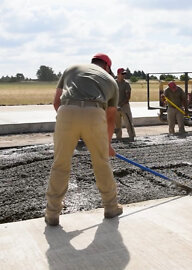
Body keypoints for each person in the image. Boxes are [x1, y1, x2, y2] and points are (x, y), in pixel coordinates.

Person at [45, 53, 122, 226]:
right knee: (101, 162)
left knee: (60, 163)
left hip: (67, 110)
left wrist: (72, 123)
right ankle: (110, 207)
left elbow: (57, 102)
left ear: (93, 63)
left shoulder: (72, 69)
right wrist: (107, 145)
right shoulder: (111, 81)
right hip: (95, 114)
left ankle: (52, 212)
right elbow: (110, 118)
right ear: (108, 67)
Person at [115, 68, 136, 141]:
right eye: (122, 74)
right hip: (115, 107)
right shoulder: (113, 83)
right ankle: (118, 138)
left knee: (128, 123)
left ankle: (132, 137)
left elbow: (128, 97)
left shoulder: (126, 84)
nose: (124, 75)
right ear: (118, 74)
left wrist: (120, 104)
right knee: (117, 124)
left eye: (124, 74)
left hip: (124, 106)